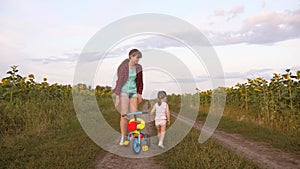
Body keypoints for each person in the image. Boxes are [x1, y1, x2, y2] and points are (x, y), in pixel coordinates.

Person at [113, 49, 143, 145]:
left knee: (134, 114)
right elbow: (119, 81)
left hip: (133, 92)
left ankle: (132, 134)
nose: (138, 59)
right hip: (124, 92)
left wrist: (140, 94)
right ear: (131, 56)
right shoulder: (123, 67)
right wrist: (117, 97)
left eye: (139, 58)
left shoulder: (139, 67)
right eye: (137, 57)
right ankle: (123, 136)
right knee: (124, 114)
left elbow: (140, 82)